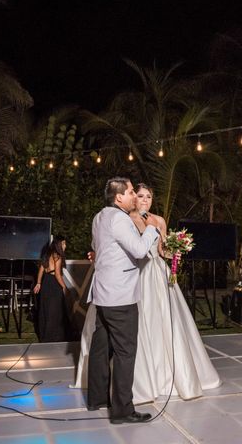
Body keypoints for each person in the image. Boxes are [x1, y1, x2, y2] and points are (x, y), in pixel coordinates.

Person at [75, 184, 221, 404]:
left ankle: (163, 377)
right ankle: (135, 385)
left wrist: (176, 250)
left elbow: (162, 250)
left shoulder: (159, 220)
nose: (144, 199)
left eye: (148, 196)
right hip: (132, 277)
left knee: (161, 325)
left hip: (155, 274)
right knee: (130, 331)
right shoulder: (124, 219)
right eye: (139, 195)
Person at [86, 177, 161, 425]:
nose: (133, 196)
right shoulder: (119, 219)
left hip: (103, 294)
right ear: (119, 197)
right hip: (120, 297)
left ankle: (97, 399)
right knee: (125, 352)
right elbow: (139, 250)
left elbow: (101, 250)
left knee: (100, 348)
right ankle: (122, 411)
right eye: (130, 192)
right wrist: (152, 229)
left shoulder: (99, 217)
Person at [34, 236, 68, 342]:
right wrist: (64, 287)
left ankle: (45, 336)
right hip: (53, 283)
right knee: (55, 311)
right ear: (59, 244)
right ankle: (53, 337)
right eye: (64, 243)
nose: (65, 246)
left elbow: (41, 270)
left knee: (46, 310)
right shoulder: (57, 256)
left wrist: (39, 283)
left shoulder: (47, 254)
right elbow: (57, 274)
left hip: (46, 282)